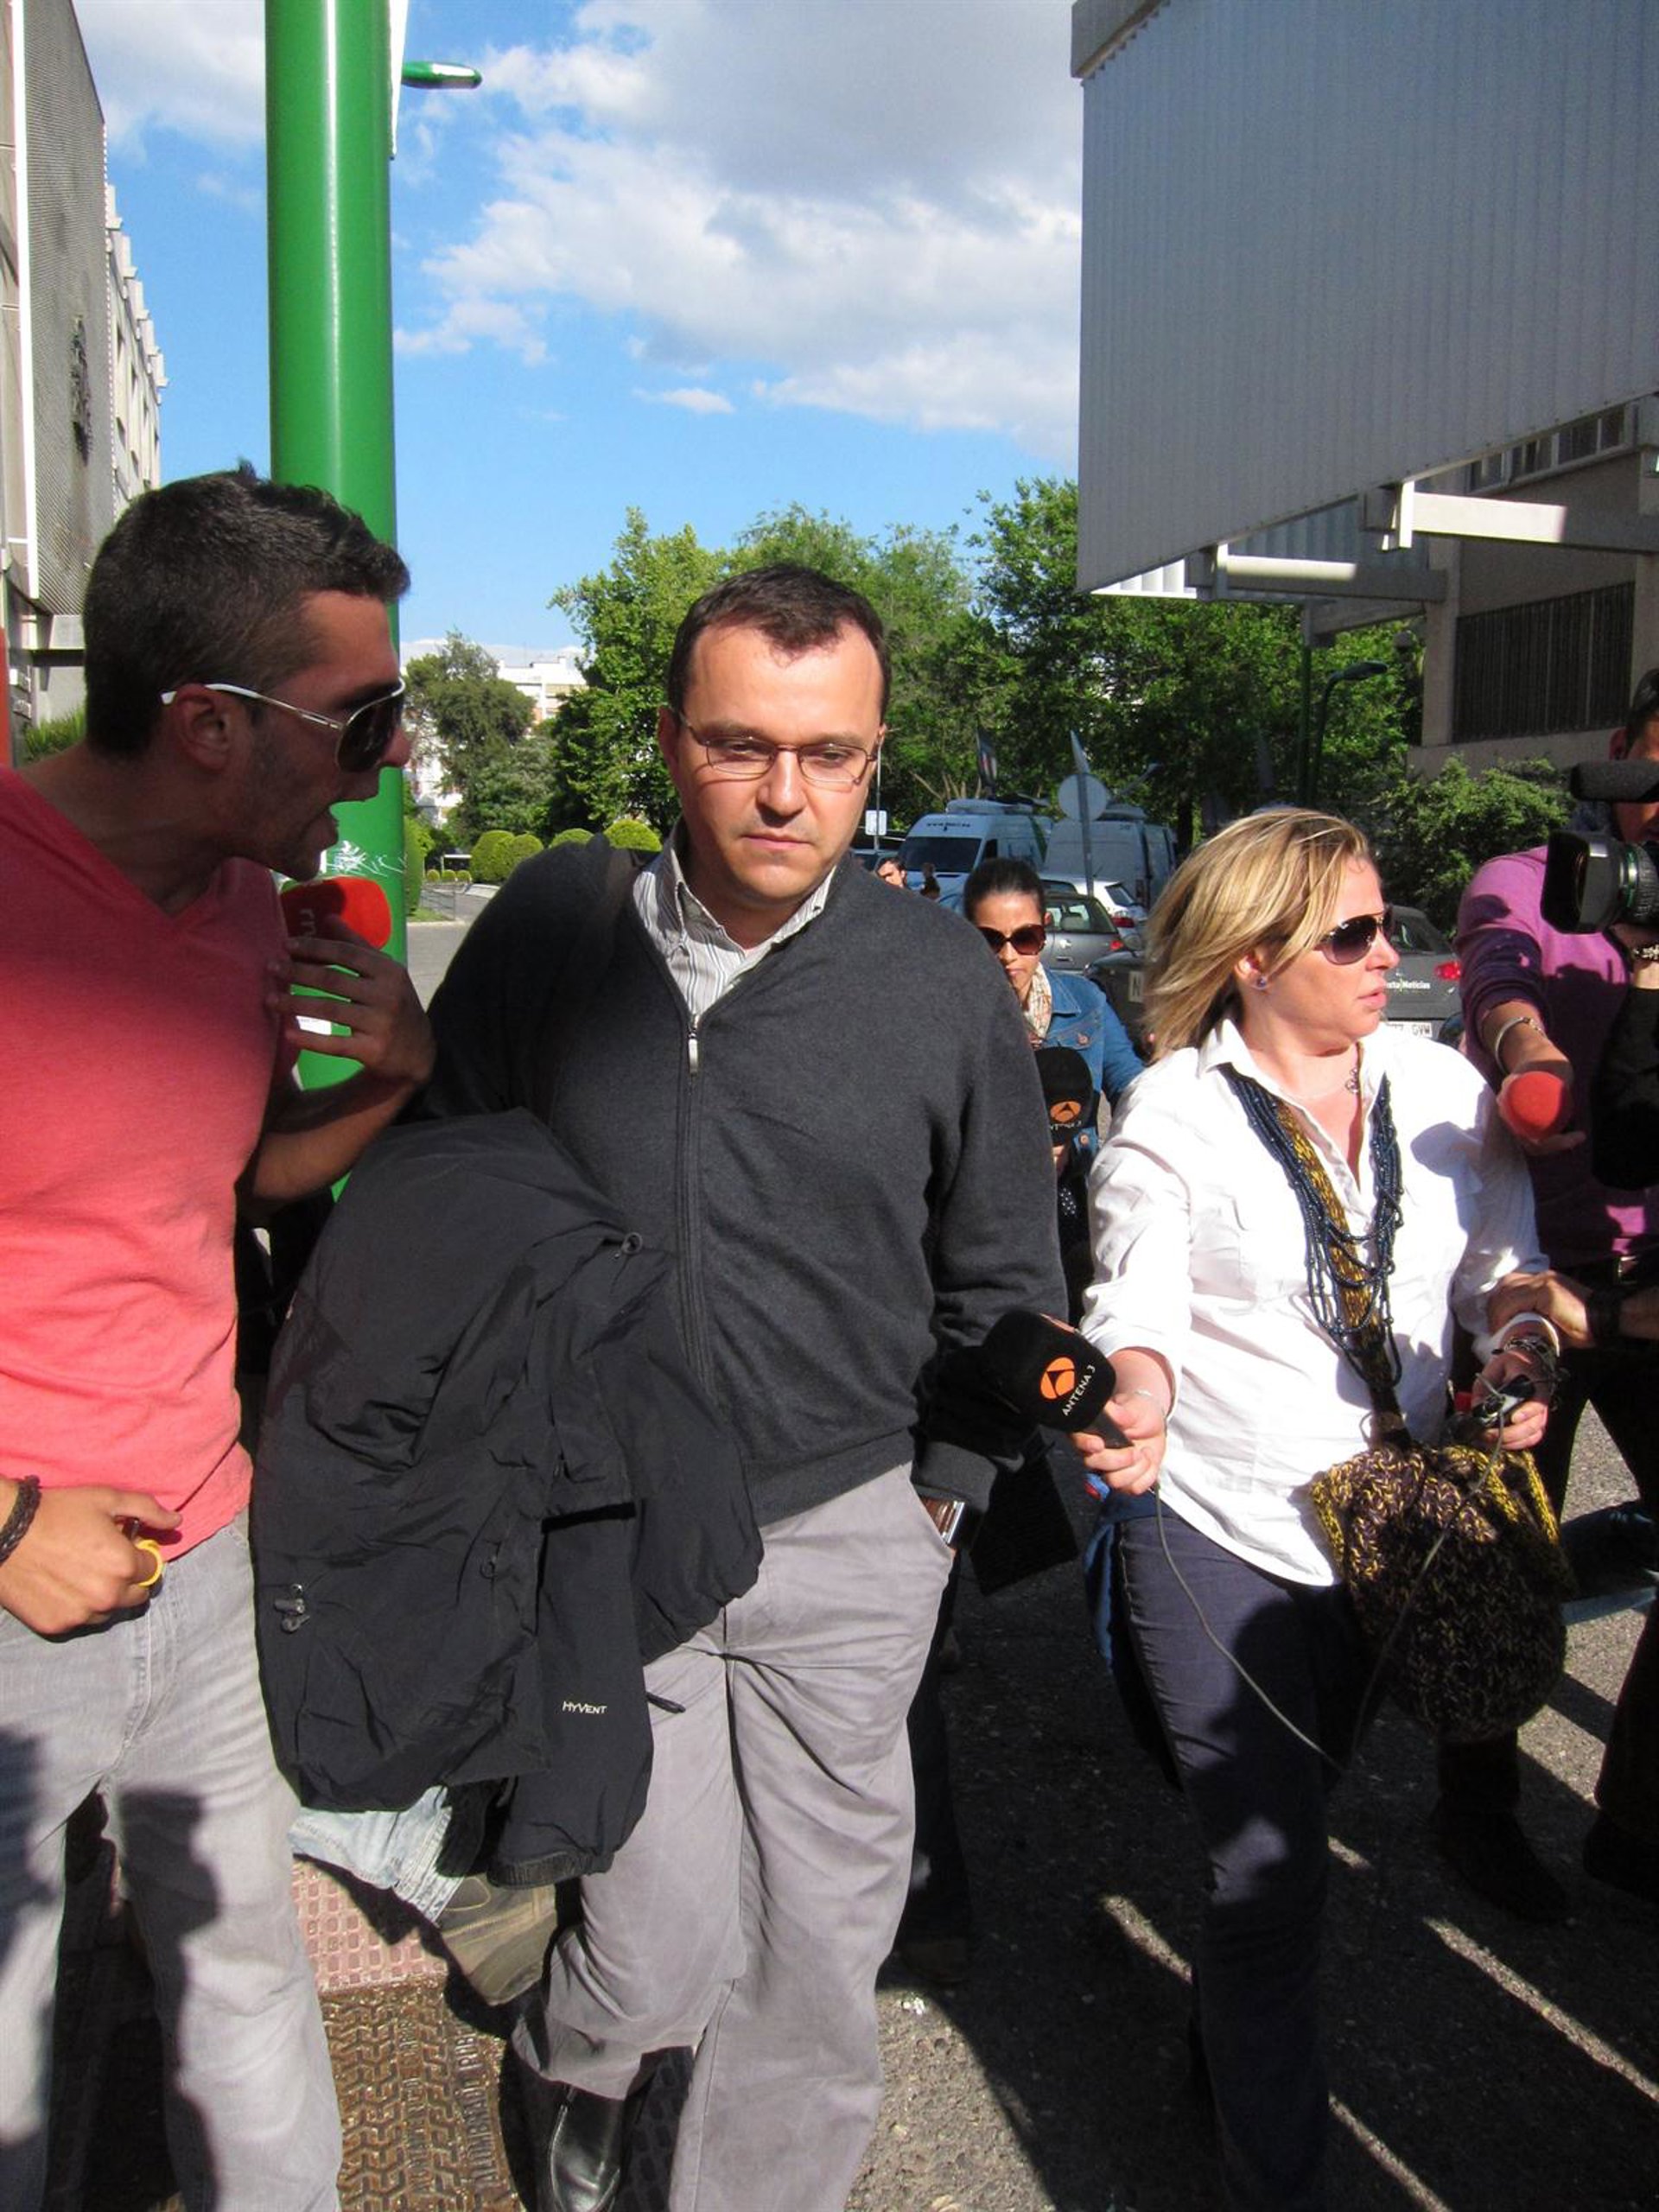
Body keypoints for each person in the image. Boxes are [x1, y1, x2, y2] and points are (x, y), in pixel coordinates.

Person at [419, 564, 1062, 2212]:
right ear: (669, 744)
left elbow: (1006, 1269)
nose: (787, 793)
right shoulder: (558, 936)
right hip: (609, 1534)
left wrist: (945, 1493)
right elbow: (444, 1193)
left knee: (817, 1955)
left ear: (874, 758)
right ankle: (580, 2067)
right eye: (741, 745)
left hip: (848, 1527)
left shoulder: (938, 983)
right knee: (652, 1938)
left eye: (830, 754)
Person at [0, 467, 435, 2207]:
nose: (387, 760)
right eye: (361, 719)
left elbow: (232, 1179)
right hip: (13, 1575)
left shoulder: (247, 901)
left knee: (246, 1985)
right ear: (205, 723)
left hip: (202, 1547)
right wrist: (10, 1522)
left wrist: (396, 1074)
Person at [1072, 808, 1549, 2212]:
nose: (1388, 953)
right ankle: (1278, 2180)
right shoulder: (1174, 1112)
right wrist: (1135, 1392)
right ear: (1252, 955)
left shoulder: (1441, 1086)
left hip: (1386, 1533)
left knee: (1281, 1849)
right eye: (1351, 934)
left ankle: (1224, 2057)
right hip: (1217, 1524)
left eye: (1384, 924)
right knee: (1271, 1867)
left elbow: (1503, 1276)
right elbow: (1135, 1293)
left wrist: (1519, 1350)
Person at [1446, 663, 1659, 1917]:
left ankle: (1636, 1823)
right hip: (1530, 1275)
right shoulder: (1533, 879)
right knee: (1498, 1555)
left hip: (1654, 1275)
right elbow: (1498, 976)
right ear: (1620, 751)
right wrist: (1526, 1051)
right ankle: (1475, 1809)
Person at [962, 855, 1142, 1138]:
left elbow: (1132, 1091)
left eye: (1025, 938)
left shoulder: (1087, 1002)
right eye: (991, 940)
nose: (1008, 956)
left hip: (1071, 1168)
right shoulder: (950, 1015)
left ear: (1044, 928)